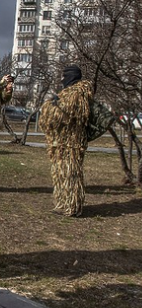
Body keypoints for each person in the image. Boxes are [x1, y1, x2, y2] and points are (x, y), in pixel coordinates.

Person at [40, 65, 93, 217]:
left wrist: (50, 106)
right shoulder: (67, 93)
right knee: (61, 174)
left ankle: (73, 206)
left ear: (71, 76)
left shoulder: (77, 93)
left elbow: (62, 114)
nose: (62, 80)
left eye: (64, 76)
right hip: (61, 142)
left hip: (71, 144)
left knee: (71, 174)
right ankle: (63, 203)